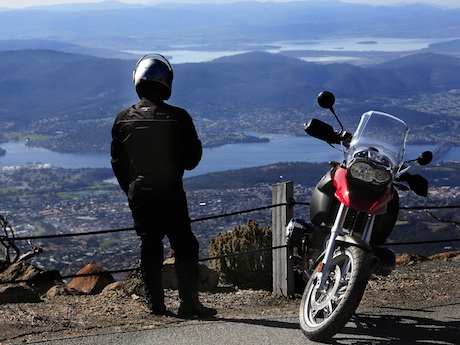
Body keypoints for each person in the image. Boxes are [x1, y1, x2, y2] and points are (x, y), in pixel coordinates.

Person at [110, 53, 216, 318]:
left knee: (150, 246)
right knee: (185, 245)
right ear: (166, 82)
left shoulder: (123, 119)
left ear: (138, 80)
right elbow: (192, 161)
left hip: (140, 194)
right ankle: (189, 303)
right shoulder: (178, 117)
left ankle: (155, 304)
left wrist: (132, 189)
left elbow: (118, 163)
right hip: (171, 193)